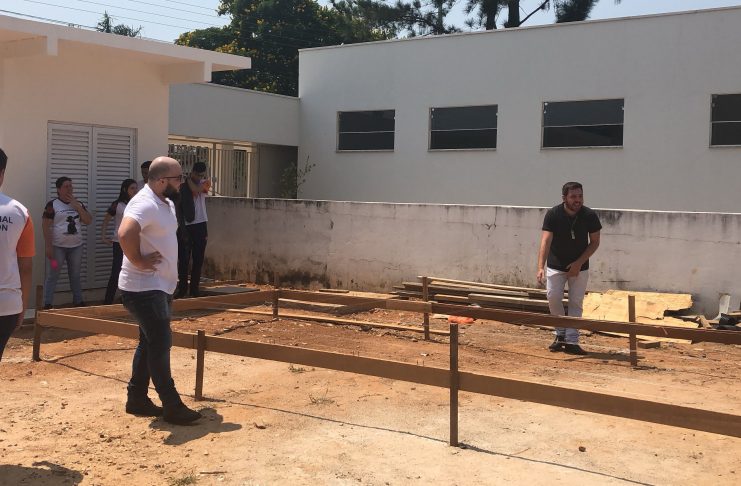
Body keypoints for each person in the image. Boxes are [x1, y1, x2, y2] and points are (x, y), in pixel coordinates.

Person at [118, 156, 201, 424]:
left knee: (149, 342)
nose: (182, 182)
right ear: (163, 180)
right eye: (178, 178)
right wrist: (138, 261)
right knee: (161, 342)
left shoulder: (165, 202)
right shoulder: (144, 202)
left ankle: (137, 398)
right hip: (144, 288)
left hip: (159, 286)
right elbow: (125, 233)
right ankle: (172, 404)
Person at [536, 181, 601, 355]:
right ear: (564, 198)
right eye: (573, 196)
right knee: (553, 297)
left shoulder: (589, 215)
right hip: (556, 264)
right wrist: (540, 266)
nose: (577, 200)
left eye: (580, 196)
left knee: (576, 302)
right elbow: (546, 241)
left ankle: (572, 341)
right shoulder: (553, 214)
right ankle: (560, 334)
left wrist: (578, 263)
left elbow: (595, 242)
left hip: (581, 266)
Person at [0, 149, 35, 362]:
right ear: (2, 173)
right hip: (7, 304)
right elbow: (26, 267)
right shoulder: (19, 211)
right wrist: (22, 304)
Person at [42, 177, 93, 309]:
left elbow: (88, 221)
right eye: (66, 186)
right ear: (59, 189)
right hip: (57, 248)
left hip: (76, 247)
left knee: (75, 275)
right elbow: (45, 226)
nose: (69, 188)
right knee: (53, 274)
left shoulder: (78, 204)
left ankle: (78, 301)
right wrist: (48, 246)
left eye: (71, 186)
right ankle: (47, 303)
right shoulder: (52, 205)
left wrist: (78, 207)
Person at [176, 162, 211, 298]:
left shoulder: (205, 183)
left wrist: (189, 179)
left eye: (201, 175)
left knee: (198, 259)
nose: (199, 177)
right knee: (183, 260)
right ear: (193, 172)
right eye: (197, 174)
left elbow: (196, 190)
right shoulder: (183, 186)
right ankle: (182, 289)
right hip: (186, 225)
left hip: (200, 224)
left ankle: (194, 290)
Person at [101, 179, 137, 305]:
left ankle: (127, 299)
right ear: (125, 189)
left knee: (133, 271)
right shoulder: (117, 204)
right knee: (116, 271)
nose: (135, 190)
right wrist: (103, 236)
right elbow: (106, 220)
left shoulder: (138, 203)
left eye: (136, 188)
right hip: (119, 242)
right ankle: (108, 301)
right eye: (132, 188)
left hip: (134, 242)